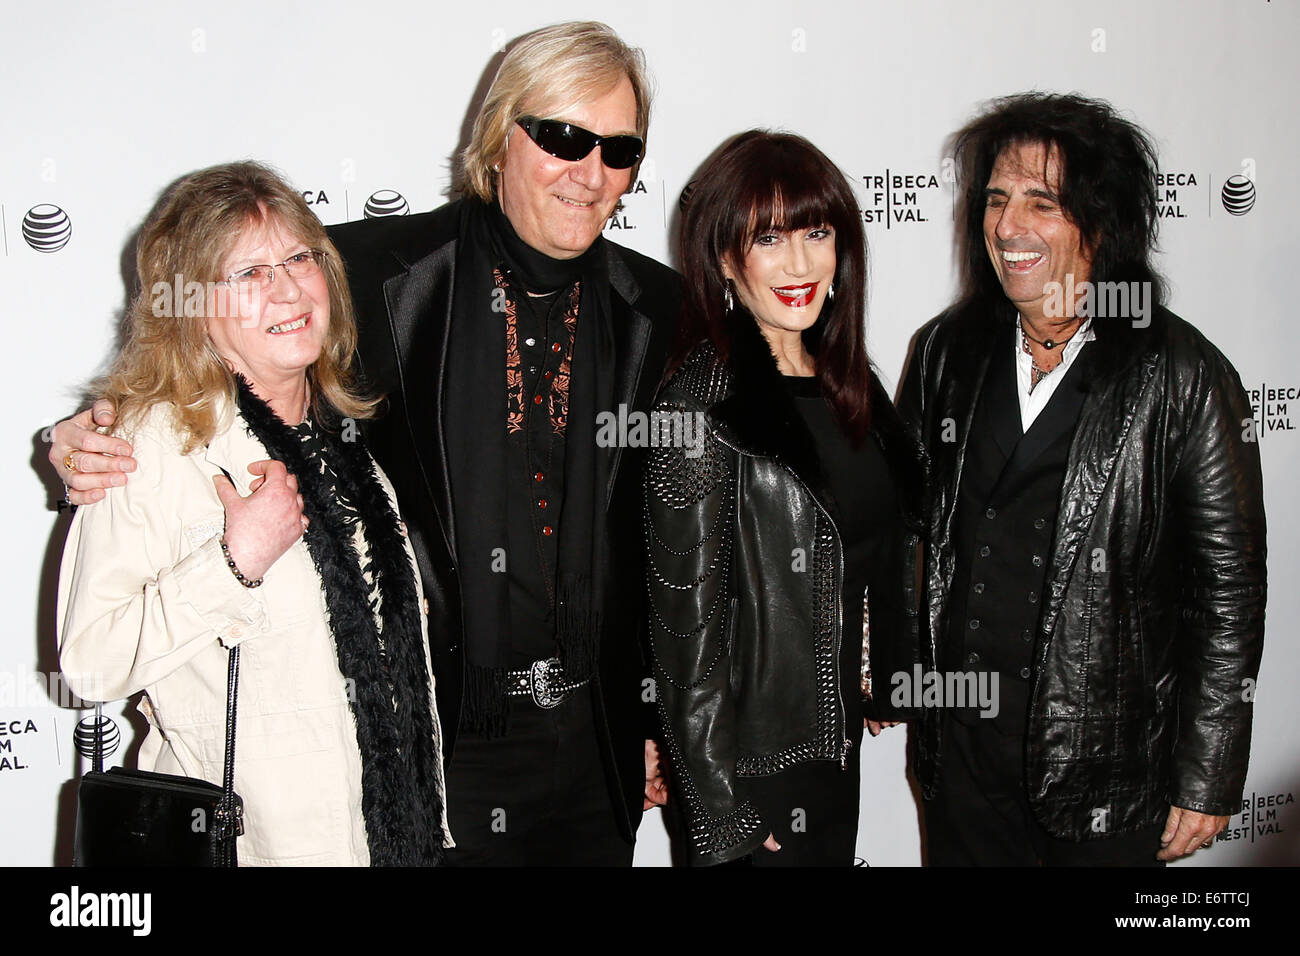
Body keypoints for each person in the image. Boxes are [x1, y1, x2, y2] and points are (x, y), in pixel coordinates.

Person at [51, 21, 676, 865]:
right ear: (501, 136)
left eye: (619, 148)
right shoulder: (374, 276)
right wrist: (87, 435)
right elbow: (219, 328)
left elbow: (669, 534)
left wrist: (647, 721)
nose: (590, 171)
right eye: (563, 136)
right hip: (438, 755)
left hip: (591, 760)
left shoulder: (662, 313)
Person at [899, 92, 1267, 866]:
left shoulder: (1182, 375)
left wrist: (1206, 773)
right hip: (963, 761)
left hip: (1105, 772)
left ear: (1101, 224)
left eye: (1042, 202)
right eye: (996, 199)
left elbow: (1227, 590)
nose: (1007, 227)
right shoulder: (945, 352)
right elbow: (909, 526)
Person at [57, 161, 449, 866]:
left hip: (387, 844)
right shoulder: (152, 446)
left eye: (299, 258)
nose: (288, 288)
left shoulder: (350, 446)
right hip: (255, 850)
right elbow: (88, 666)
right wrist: (230, 566)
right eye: (248, 274)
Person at [645, 131, 925, 866]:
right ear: (726, 259)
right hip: (754, 775)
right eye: (769, 238)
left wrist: (884, 672)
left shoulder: (851, 386)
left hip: (834, 747)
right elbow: (684, 641)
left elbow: (868, 549)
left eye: (817, 232)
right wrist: (721, 815)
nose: (800, 263)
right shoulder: (700, 410)